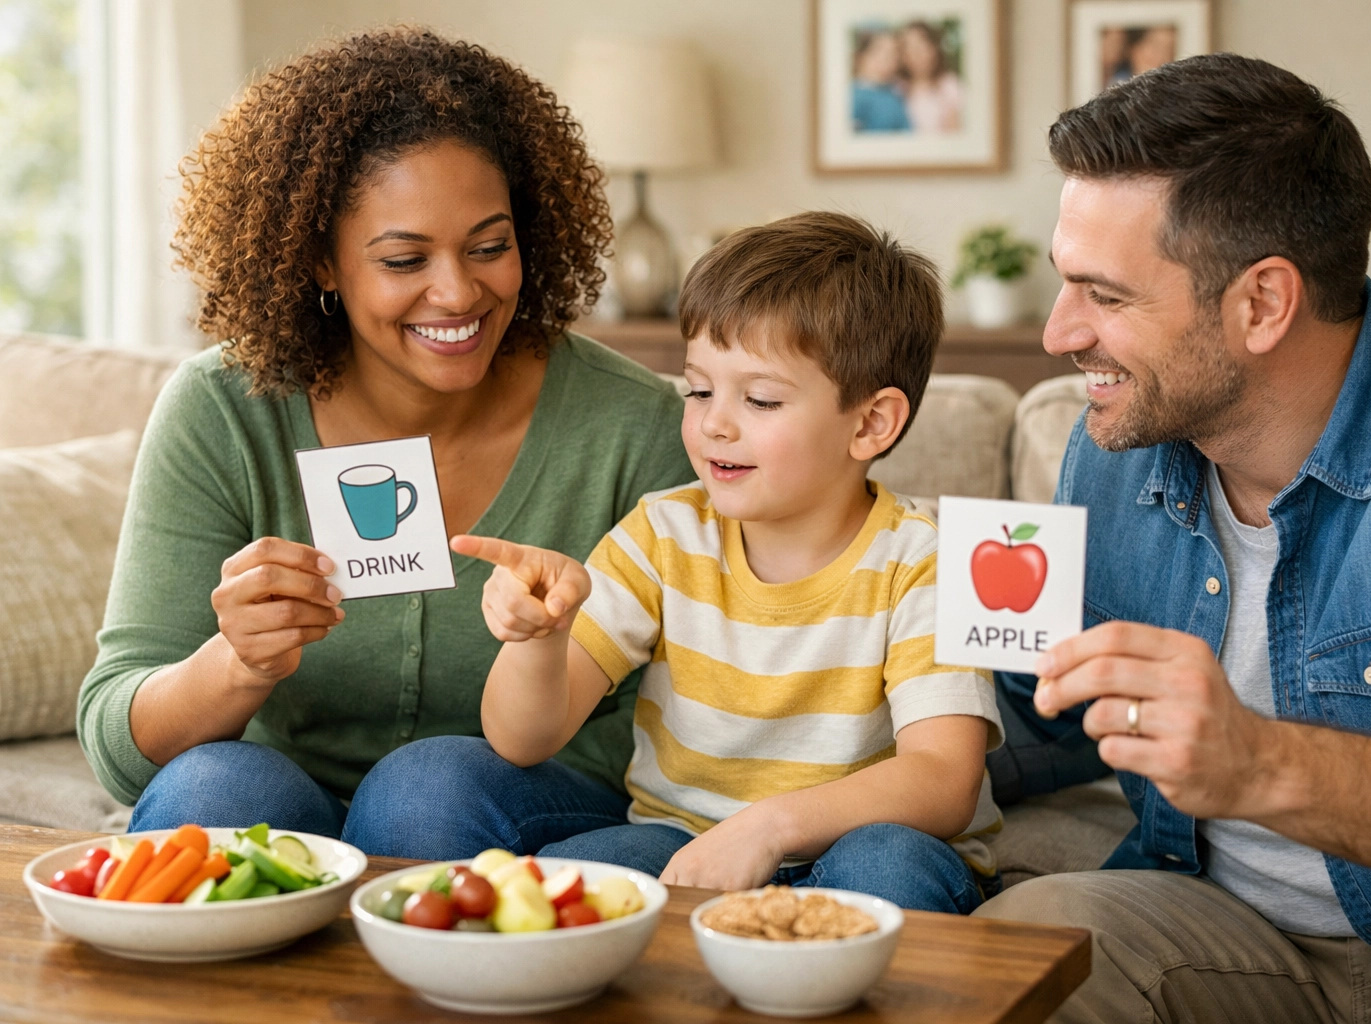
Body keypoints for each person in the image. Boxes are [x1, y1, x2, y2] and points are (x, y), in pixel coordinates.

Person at [975, 54, 1371, 1022]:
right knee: (1037, 932)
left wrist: (1255, 759)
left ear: (1263, 303)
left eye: (1105, 296)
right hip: (1223, 934)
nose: (1062, 332)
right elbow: (1033, 717)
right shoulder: (1115, 445)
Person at [76, 28, 696, 859]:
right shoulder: (224, 411)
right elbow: (118, 748)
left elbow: (681, 722)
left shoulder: (636, 425)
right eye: (405, 259)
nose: (459, 291)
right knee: (213, 790)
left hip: (520, 803)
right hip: (278, 790)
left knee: (426, 793)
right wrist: (234, 665)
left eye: (490, 246)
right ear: (321, 262)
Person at [452, 213, 1005, 913]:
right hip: (685, 840)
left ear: (870, 424)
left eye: (761, 398)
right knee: (571, 881)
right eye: (700, 390)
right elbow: (523, 737)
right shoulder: (664, 532)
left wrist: (769, 827)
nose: (715, 422)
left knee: (891, 865)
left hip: (861, 846)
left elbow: (943, 778)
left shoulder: (924, 558)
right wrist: (537, 641)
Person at [898, 22, 963, 133]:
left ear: (934, 49)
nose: (914, 54)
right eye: (907, 48)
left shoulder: (949, 85)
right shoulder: (896, 87)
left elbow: (955, 134)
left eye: (920, 47)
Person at [851, 29, 911, 133]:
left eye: (893, 54)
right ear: (860, 56)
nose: (886, 59)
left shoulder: (896, 95)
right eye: (879, 51)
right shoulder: (851, 96)